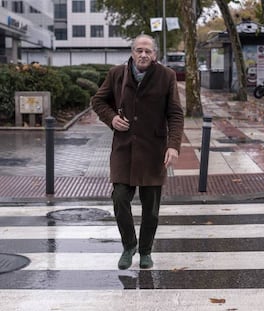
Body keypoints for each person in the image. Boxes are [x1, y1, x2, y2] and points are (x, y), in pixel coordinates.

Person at [91, 34, 184, 270]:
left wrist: (173, 145)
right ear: (132, 52)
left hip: (154, 150)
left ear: (155, 55)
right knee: (120, 198)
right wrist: (111, 119)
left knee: (151, 209)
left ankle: (145, 251)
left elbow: (175, 114)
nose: (143, 55)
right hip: (124, 148)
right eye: (139, 50)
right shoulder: (117, 74)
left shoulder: (167, 76)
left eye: (148, 51)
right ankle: (129, 245)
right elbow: (98, 101)